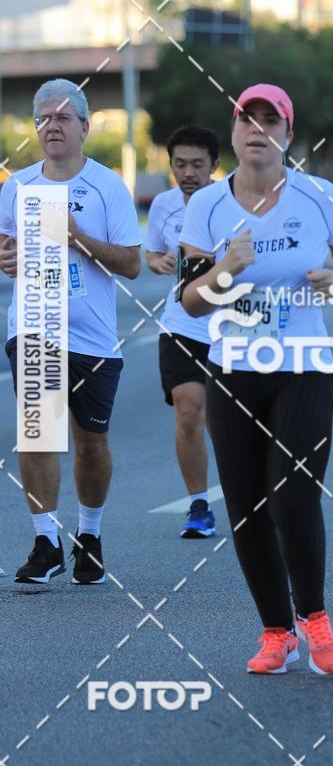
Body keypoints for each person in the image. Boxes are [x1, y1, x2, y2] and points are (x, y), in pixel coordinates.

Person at [179, 83, 333, 674]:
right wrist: (226, 272)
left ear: (287, 134)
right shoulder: (206, 207)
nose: (258, 129)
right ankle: (275, 631)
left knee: (293, 495)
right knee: (244, 505)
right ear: (234, 132)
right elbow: (190, 303)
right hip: (234, 369)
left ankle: (314, 619)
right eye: (247, 119)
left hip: (304, 365)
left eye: (271, 120)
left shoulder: (317, 196)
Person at [0, 78, 141, 584]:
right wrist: (6, 257)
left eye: (61, 117)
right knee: (38, 434)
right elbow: (5, 249)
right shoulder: (17, 187)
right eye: (43, 117)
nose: (51, 125)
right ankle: (46, 541)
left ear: (84, 126)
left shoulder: (107, 187)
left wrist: (79, 239)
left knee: (90, 444)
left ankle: (90, 535)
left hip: (94, 339)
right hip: (35, 327)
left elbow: (131, 264)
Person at [146, 126, 220, 538]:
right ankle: (199, 505)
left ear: (214, 164)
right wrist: (157, 261)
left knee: (229, 424)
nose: (187, 172)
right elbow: (154, 251)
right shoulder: (163, 205)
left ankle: (257, 498)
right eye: (179, 164)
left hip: (232, 329)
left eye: (196, 164)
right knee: (189, 411)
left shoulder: (230, 201)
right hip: (180, 324)